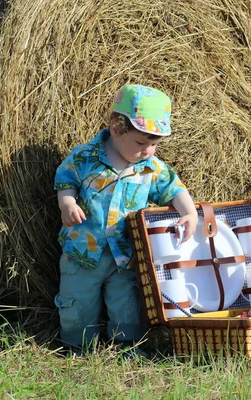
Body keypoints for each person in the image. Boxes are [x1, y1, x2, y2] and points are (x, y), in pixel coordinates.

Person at [54, 84, 198, 355]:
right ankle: (77, 346)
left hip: (127, 255)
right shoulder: (86, 156)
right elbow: (66, 179)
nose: (148, 151)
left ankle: (128, 346)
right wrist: (67, 202)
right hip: (82, 252)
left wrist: (189, 212)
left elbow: (173, 188)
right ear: (116, 128)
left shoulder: (151, 168)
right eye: (142, 143)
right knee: (78, 300)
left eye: (155, 144)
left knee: (127, 302)